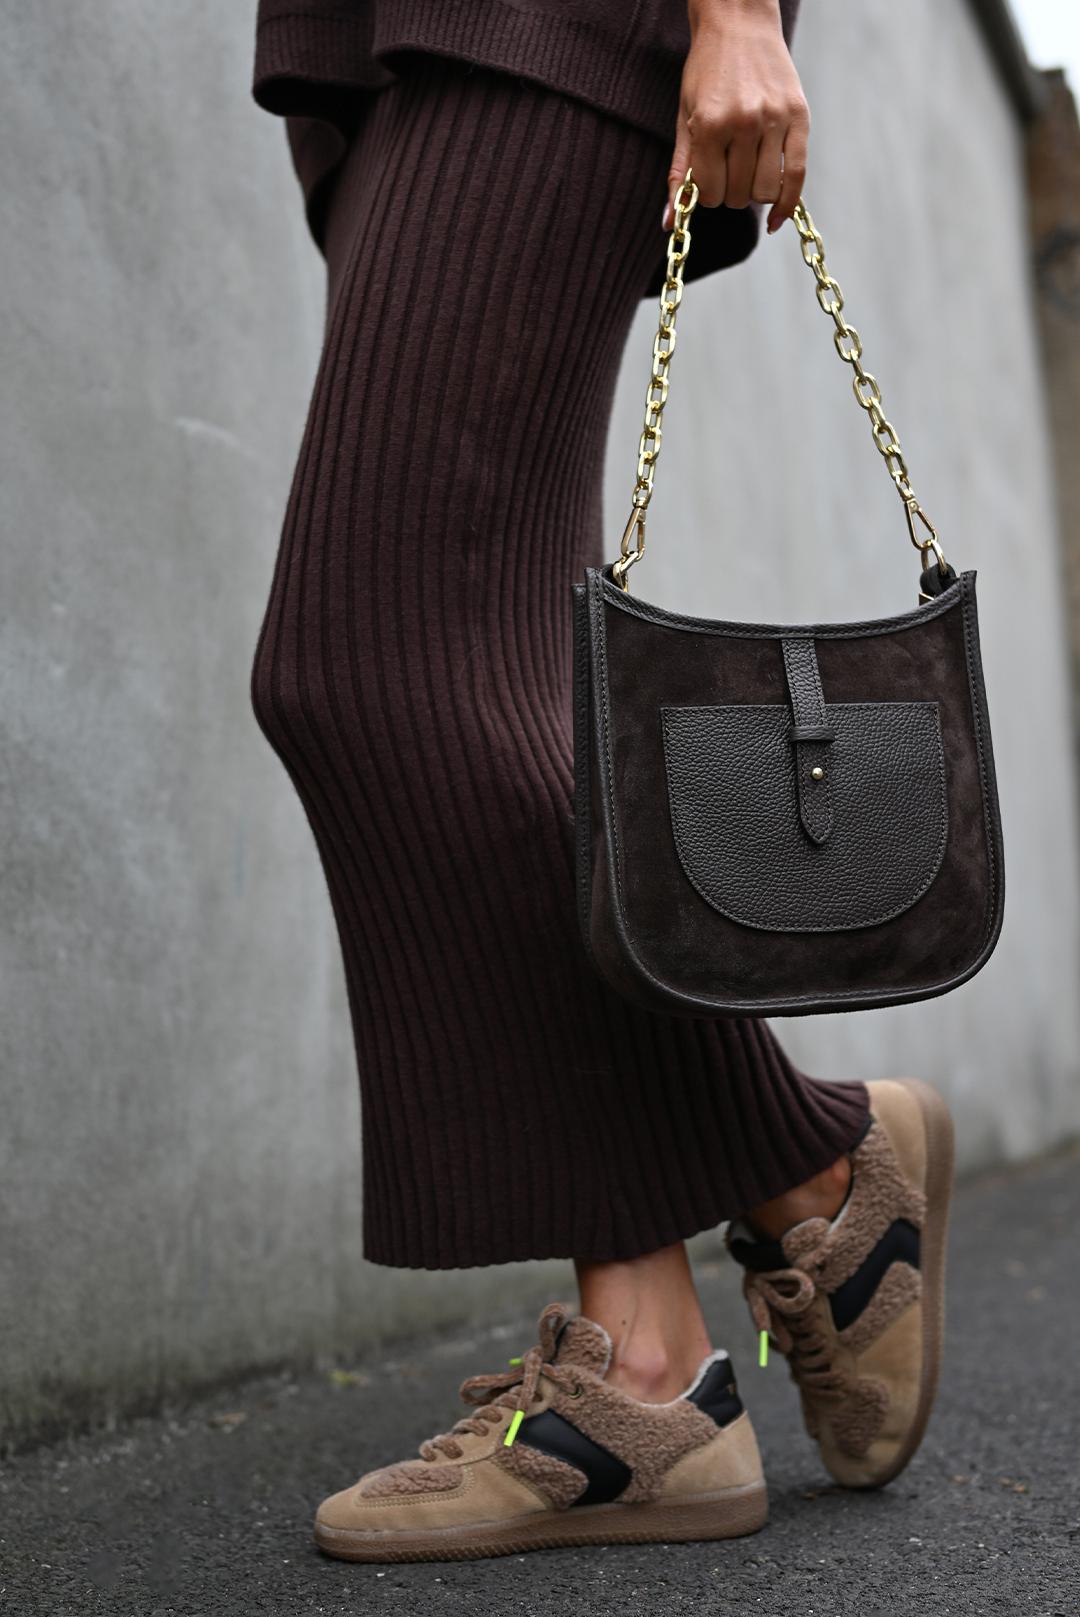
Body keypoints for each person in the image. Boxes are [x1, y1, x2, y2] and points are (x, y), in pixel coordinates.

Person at [249, 0, 955, 1563]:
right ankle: (656, 1362)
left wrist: (734, 13)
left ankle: (803, 1161)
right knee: (501, 688)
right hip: (378, 51)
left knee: (358, 670)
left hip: (543, 22)